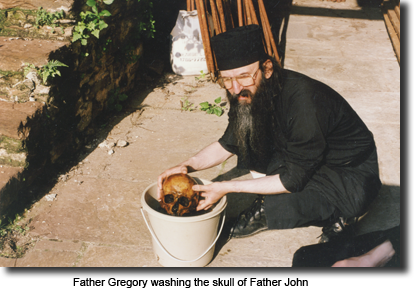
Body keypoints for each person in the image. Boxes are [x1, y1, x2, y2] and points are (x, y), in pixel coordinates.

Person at [157, 25, 381, 242]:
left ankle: (340, 215)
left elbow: (292, 180)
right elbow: (229, 143)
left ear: (267, 69)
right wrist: (187, 165)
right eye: (227, 79)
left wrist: (226, 188)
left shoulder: (305, 102)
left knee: (282, 203)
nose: (235, 89)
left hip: (349, 174)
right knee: (251, 143)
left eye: (244, 76)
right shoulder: (248, 91)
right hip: (306, 154)